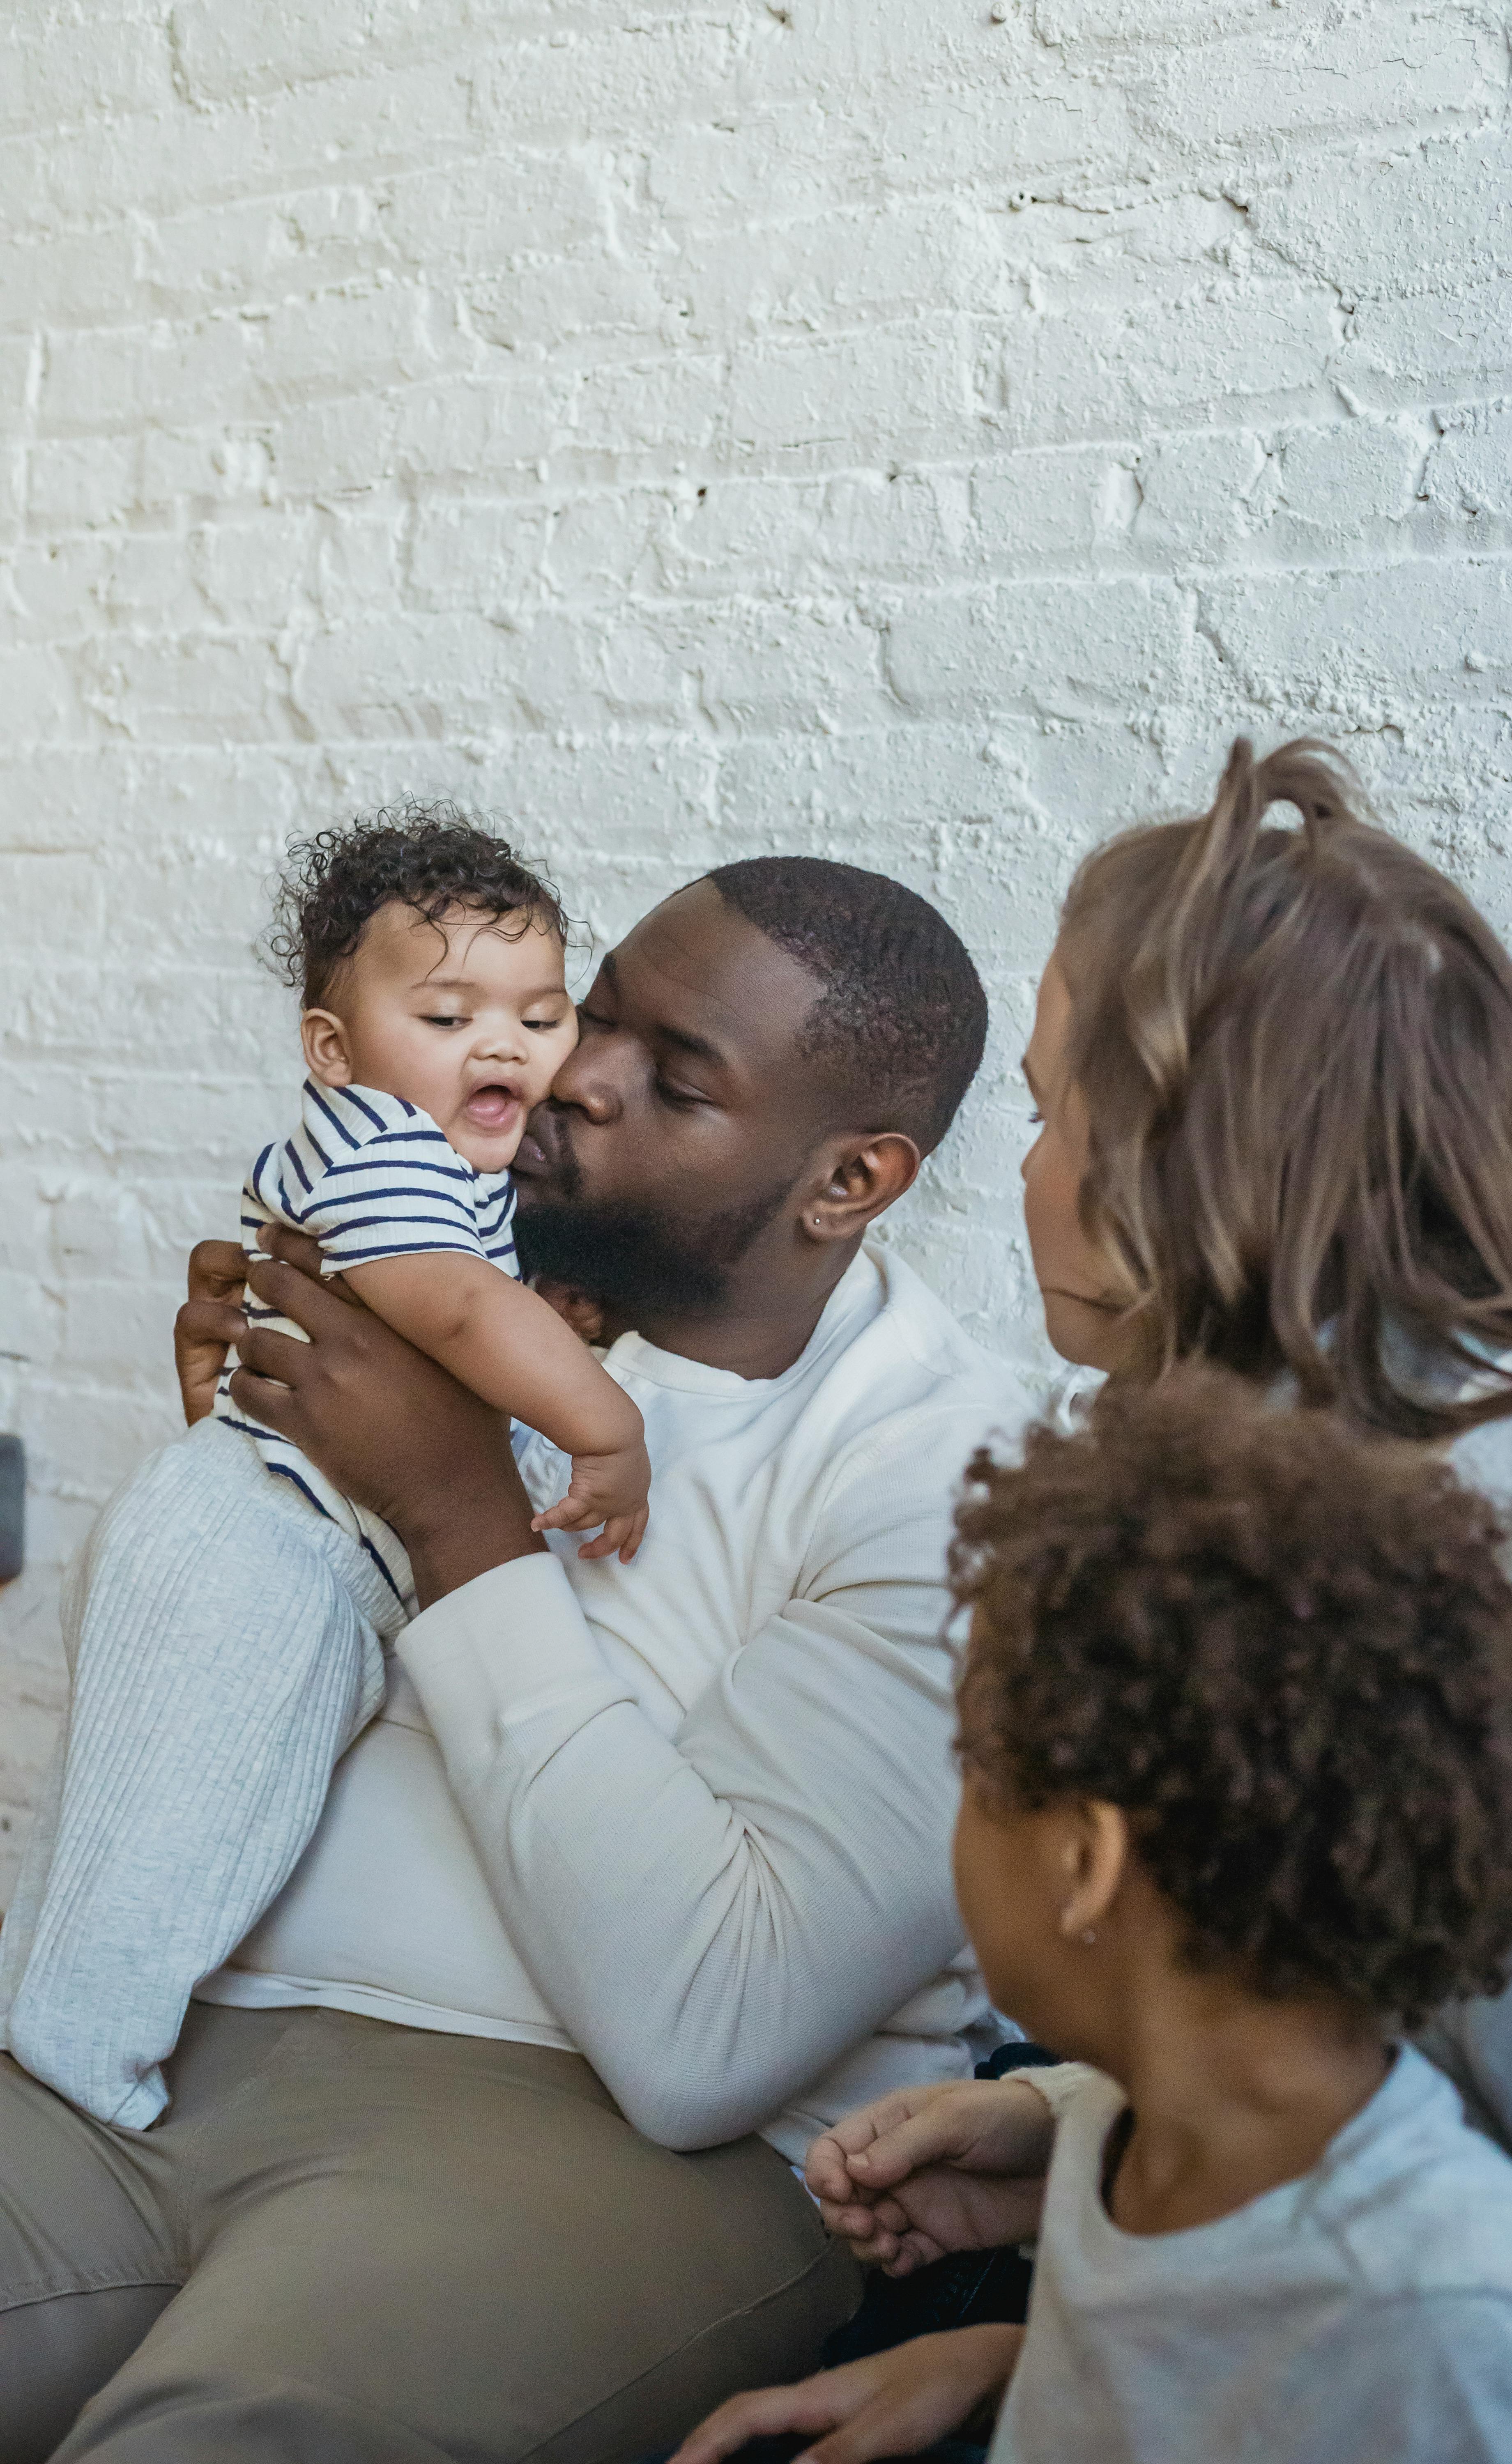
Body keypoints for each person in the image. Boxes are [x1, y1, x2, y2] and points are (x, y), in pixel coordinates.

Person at [0, 855, 1026, 2464]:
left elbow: (711, 2040)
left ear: (850, 1182)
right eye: (590, 1015)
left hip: (583, 2145)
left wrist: (455, 1509)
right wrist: (265, 1473)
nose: (567, 1080)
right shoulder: (463, 1284)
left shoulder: (954, 1475)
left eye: (668, 1079)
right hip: (158, 2038)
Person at [782, 733, 1512, 2351]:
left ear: (1181, 1157)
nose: (1025, 1180)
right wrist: (1067, 2153)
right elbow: (1377, 2065)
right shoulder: (1351, 1456)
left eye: (1049, 1121)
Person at [674, 1372, 1512, 2464]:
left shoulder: (1455, 2342)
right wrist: (1007, 2371)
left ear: (1088, 1862)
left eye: (979, 1775)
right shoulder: (1139, 2124)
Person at [0, 807, 651, 2133]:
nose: (503, 1048)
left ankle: (62, 2054)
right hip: (257, 1552)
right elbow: (460, 1314)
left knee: (172, 1832)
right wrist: (608, 1426)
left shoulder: (444, 1162)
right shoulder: (377, 1149)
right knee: (160, 1854)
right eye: (451, 1014)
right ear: (336, 1051)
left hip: (302, 1553)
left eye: (540, 1018)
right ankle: (73, 2090)